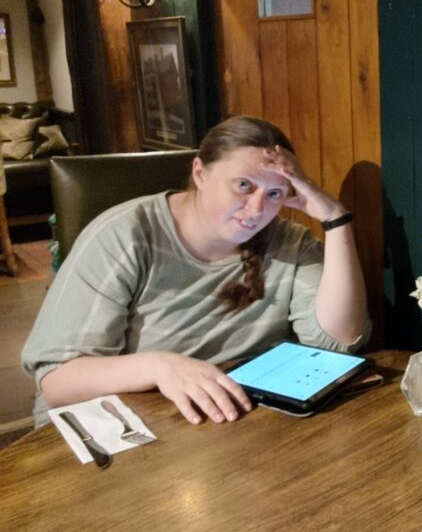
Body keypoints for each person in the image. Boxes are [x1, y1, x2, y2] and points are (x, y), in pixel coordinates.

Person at [21, 116, 369, 427]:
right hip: (114, 429)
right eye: (244, 185)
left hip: (226, 423)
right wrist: (159, 367)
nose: (257, 209)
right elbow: (57, 382)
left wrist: (335, 219)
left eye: (275, 192)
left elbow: (338, 341)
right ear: (200, 173)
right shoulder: (126, 235)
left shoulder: (288, 242)